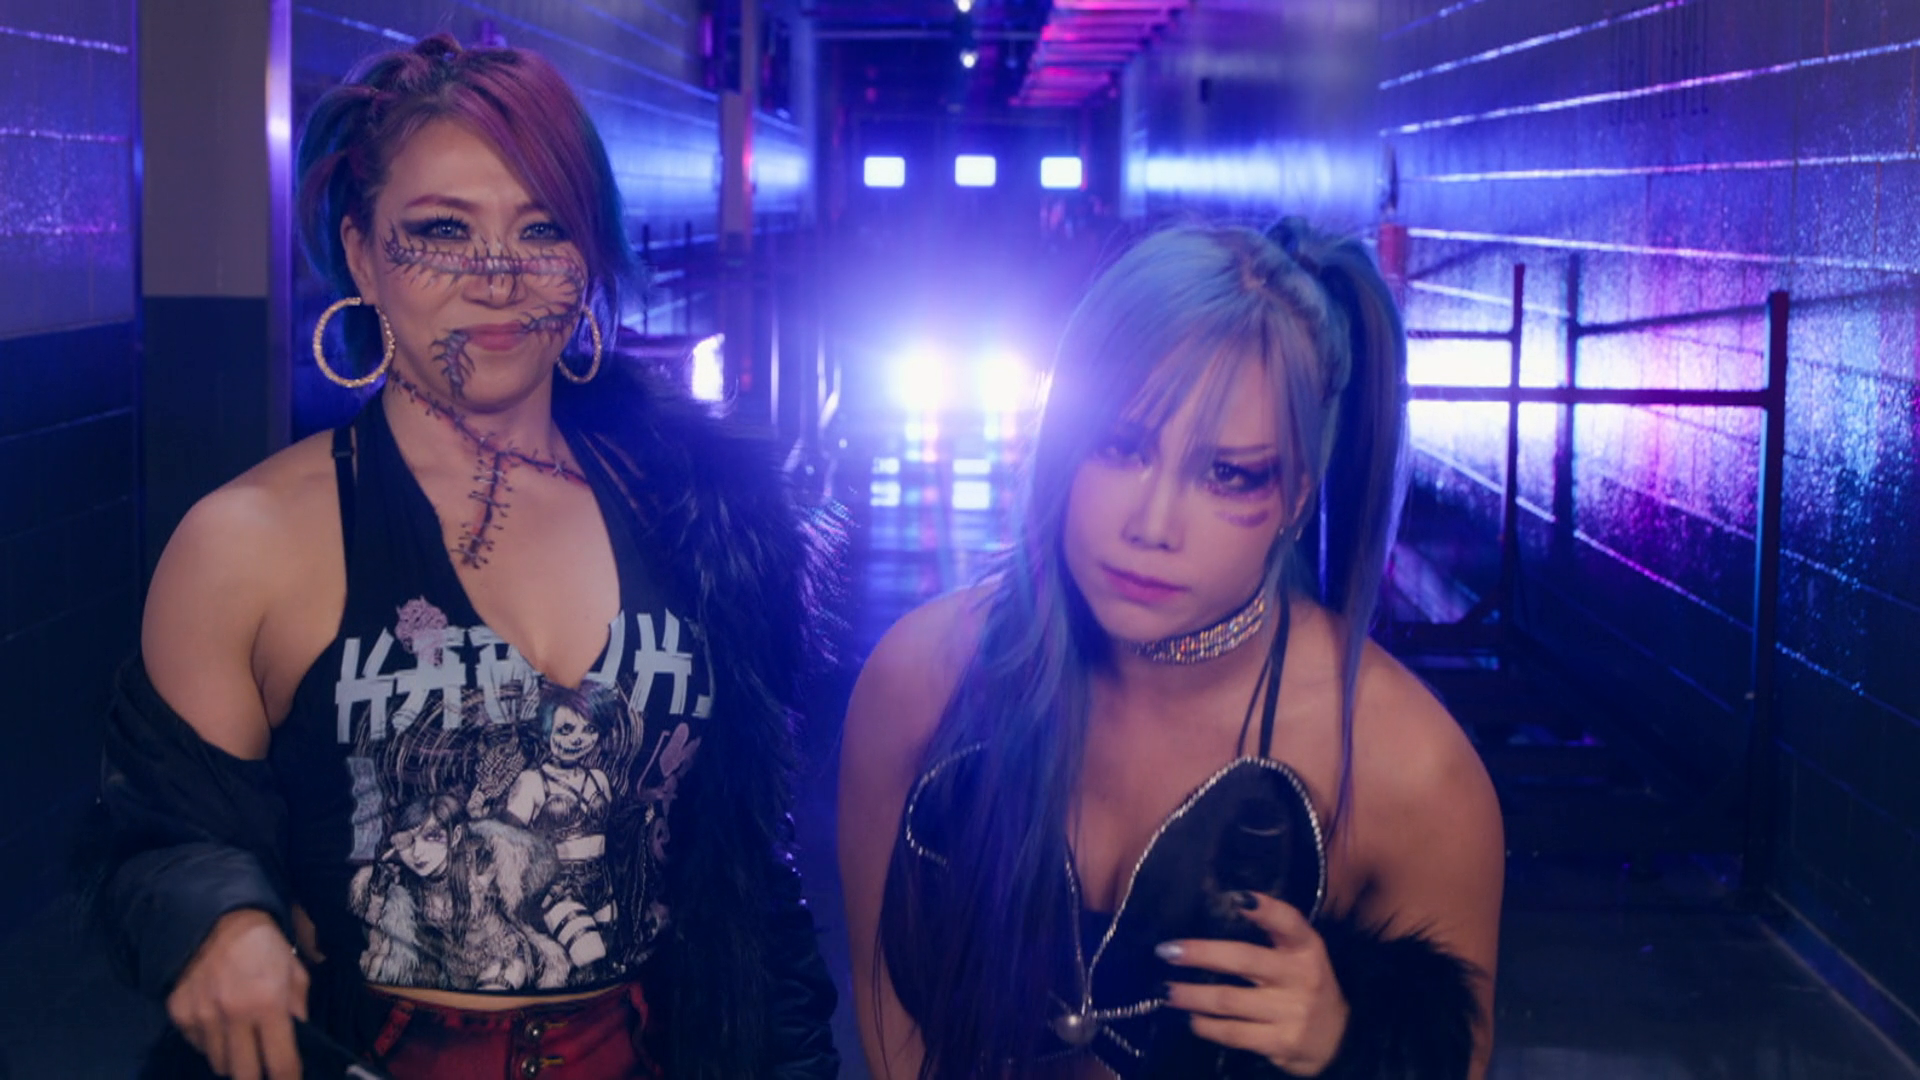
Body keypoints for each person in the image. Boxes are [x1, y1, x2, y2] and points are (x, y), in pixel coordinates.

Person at [82, 34, 838, 1080]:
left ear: (587, 256)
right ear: (362, 256)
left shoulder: (692, 521)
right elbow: (159, 832)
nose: (498, 277)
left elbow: (751, 883)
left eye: (543, 228)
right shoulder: (248, 543)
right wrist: (222, 919)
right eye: (442, 231)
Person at [839, 222, 1503, 1078]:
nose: (1152, 526)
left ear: (1296, 498)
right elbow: (887, 1013)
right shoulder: (921, 680)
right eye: (1121, 446)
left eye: (1228, 473)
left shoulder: (1410, 774)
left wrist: (1346, 1044)